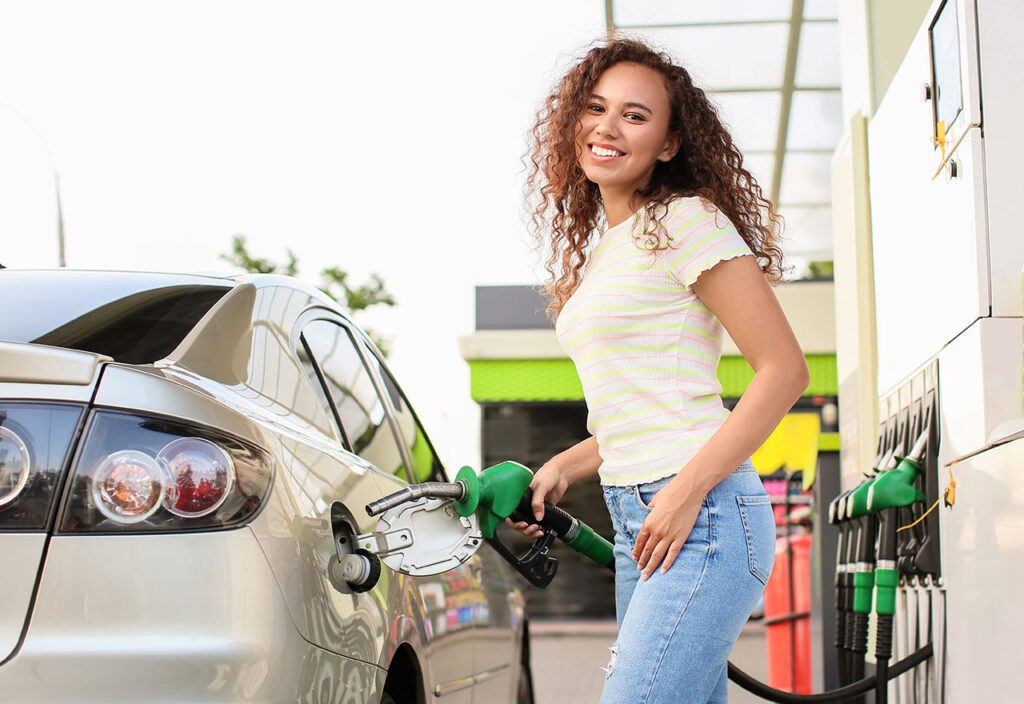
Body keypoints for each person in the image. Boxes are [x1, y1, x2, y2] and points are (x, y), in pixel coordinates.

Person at [506, 37, 810, 703]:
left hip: (702, 515)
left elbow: (784, 371)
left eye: (635, 115)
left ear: (669, 144)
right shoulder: (605, 252)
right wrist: (564, 465)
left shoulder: (684, 221)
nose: (607, 128)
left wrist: (684, 493)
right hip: (638, 520)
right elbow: (645, 407)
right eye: (596, 107)